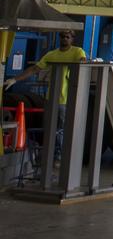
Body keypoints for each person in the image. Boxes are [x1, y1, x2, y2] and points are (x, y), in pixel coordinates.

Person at [3, 28, 87, 164]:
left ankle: (61, 157)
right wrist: (15, 79)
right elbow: (35, 69)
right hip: (51, 99)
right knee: (49, 129)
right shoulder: (52, 54)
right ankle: (50, 156)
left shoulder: (77, 52)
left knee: (62, 130)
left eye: (67, 36)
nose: (64, 39)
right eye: (62, 36)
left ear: (72, 39)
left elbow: (83, 64)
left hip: (66, 99)